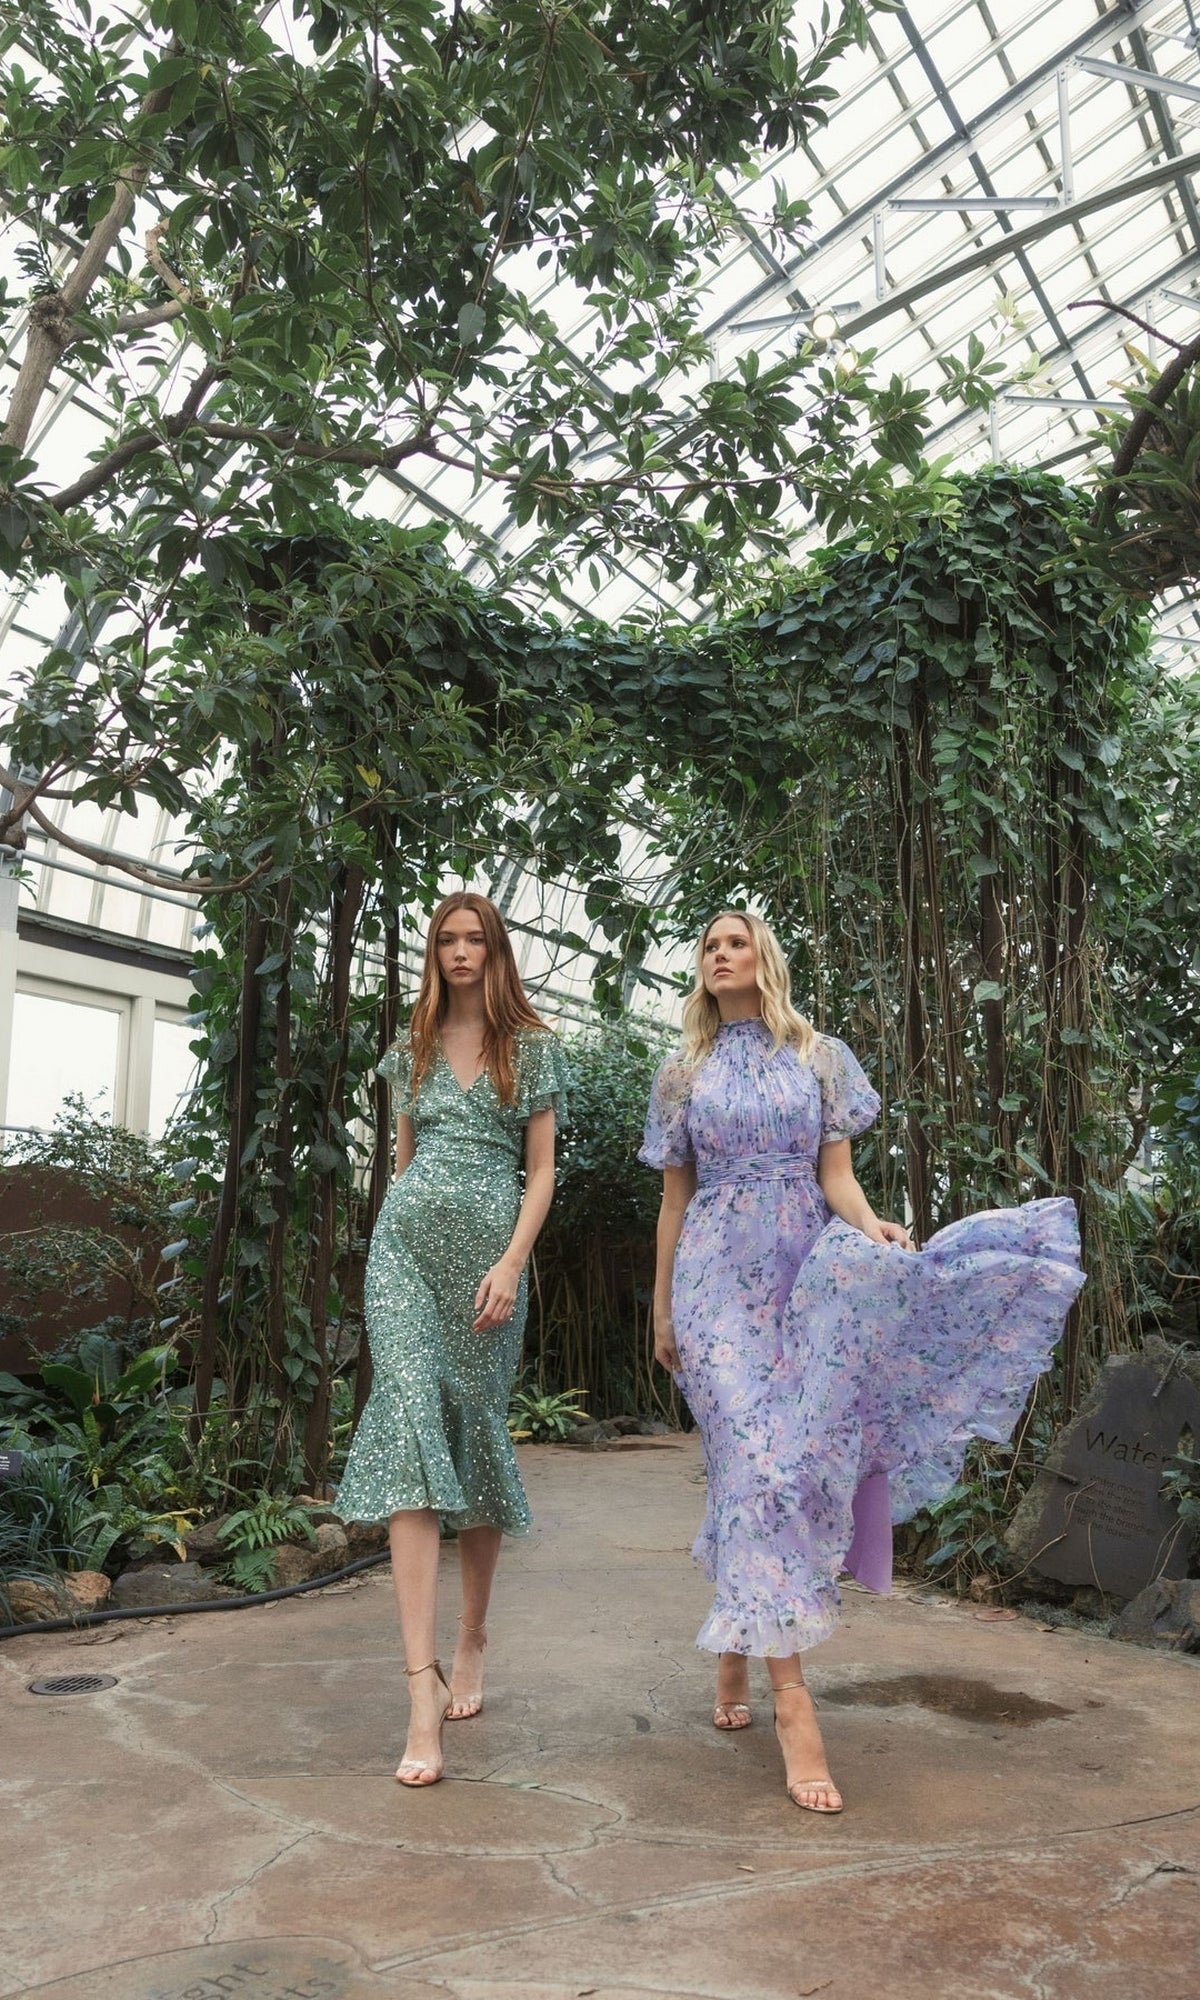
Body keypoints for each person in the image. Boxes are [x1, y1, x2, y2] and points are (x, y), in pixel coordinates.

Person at [640, 911, 1084, 1816]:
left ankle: (737, 1649)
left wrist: (873, 1227)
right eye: (707, 947)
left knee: (781, 1462)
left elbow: (834, 1177)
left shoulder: (821, 1056)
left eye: (734, 941)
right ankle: (793, 1708)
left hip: (806, 1271)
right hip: (715, 1283)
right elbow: (673, 1201)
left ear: (763, 956)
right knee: (754, 1460)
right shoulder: (682, 1071)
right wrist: (659, 1308)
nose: (718, 954)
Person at [336, 891, 568, 1787]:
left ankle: (471, 1640)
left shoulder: (534, 1046)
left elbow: (541, 1170)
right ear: (433, 953)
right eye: (447, 940)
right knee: (407, 1431)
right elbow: (399, 1167)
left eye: (475, 939)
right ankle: (417, 1689)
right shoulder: (413, 1047)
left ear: (496, 952)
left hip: (487, 1269)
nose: (460, 952)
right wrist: (397, 1234)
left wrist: (511, 1264)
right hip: (404, 1258)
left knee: (472, 1438)